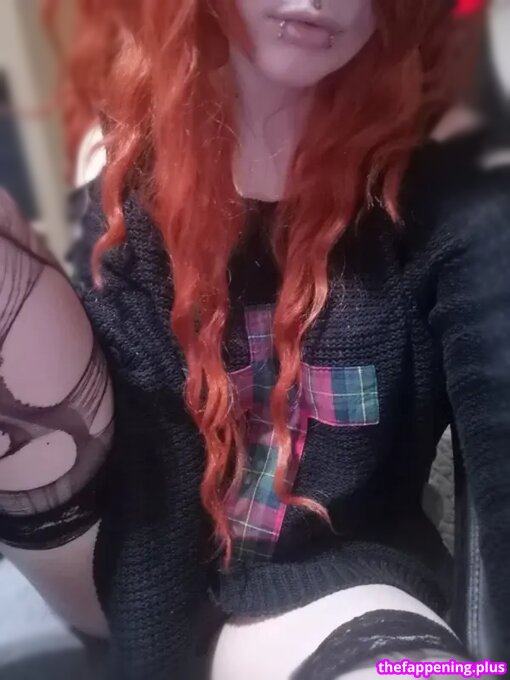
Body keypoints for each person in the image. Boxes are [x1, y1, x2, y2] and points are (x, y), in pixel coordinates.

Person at [1, 1, 509, 678]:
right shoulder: (127, 200)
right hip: (140, 574)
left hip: (339, 582)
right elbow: (140, 497)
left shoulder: (450, 200)